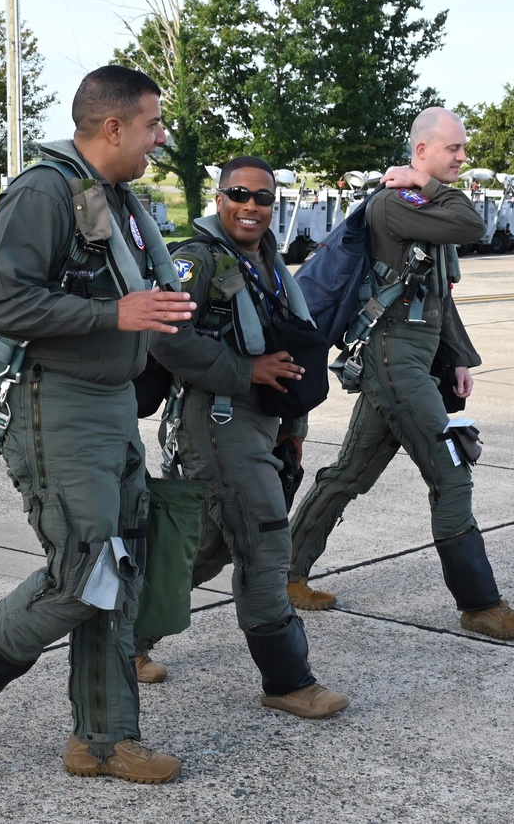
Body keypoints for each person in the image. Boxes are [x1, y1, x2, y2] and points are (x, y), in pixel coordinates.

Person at [0, 65, 195, 783]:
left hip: (111, 404)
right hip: (55, 405)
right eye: (153, 126)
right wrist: (113, 316)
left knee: (118, 573)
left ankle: (103, 741)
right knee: (81, 573)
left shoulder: (118, 200)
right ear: (113, 127)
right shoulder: (43, 194)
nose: (160, 139)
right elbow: (3, 308)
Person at [286, 107, 514, 640]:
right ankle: (480, 604)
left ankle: (284, 573)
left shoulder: (423, 206)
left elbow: (435, 294)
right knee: (452, 472)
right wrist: (425, 184)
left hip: (411, 360)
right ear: (422, 151)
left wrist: (459, 358)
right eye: (454, 149)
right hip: (394, 360)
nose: (464, 158)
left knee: (349, 475)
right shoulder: (395, 204)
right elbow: (473, 223)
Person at [133, 156, 349, 719]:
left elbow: (292, 346)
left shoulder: (270, 262)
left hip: (263, 422)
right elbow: (165, 338)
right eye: (239, 194)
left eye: (263, 198)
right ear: (219, 197)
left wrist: (294, 427)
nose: (252, 206)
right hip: (216, 420)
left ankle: (126, 638)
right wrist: (245, 372)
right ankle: (287, 680)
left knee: (210, 545)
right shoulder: (195, 261)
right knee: (267, 540)